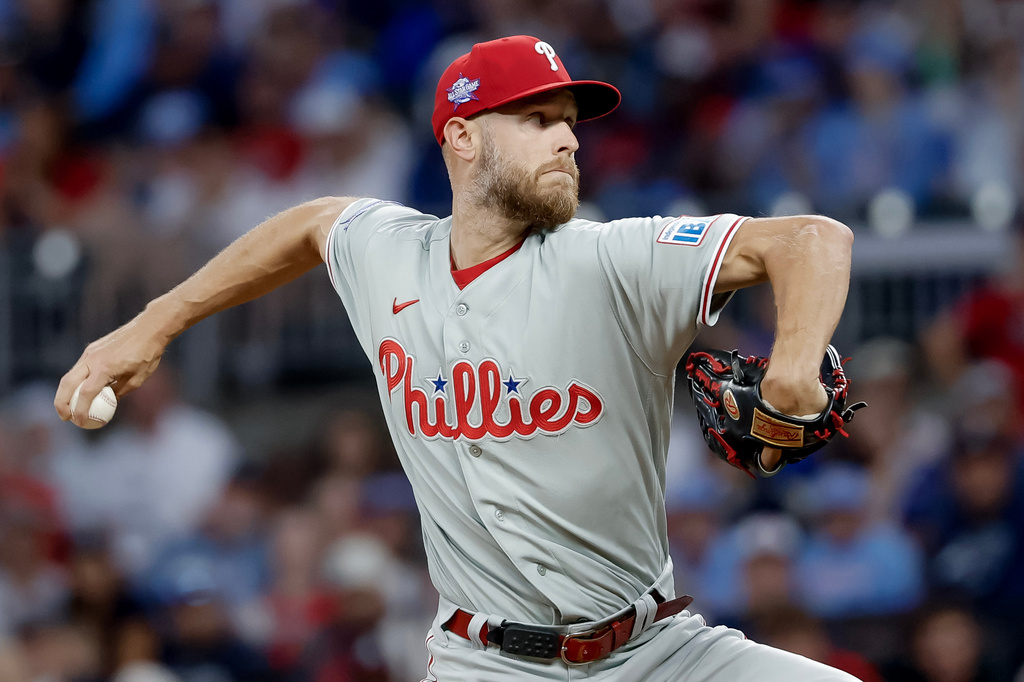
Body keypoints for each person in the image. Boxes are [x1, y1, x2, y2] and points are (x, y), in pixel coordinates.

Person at [55, 36, 857, 681]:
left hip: (657, 654)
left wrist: (795, 360)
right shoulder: (389, 253)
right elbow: (307, 224)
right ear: (464, 136)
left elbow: (812, 238)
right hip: (486, 662)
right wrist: (153, 324)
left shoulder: (614, 258)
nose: (568, 138)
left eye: (570, 121)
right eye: (538, 119)